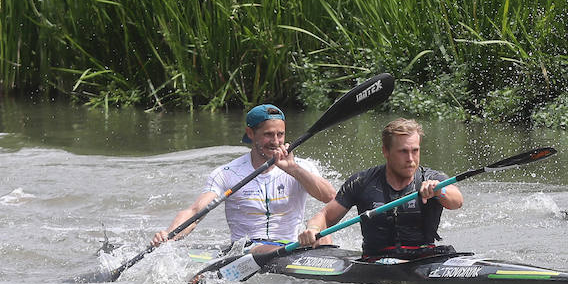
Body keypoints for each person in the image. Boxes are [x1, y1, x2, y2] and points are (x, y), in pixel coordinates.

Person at [151, 104, 337, 251]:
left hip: (291, 246)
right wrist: (169, 234)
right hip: (248, 249)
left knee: (323, 235)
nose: (275, 141)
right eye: (268, 135)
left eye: (280, 134)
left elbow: (330, 197)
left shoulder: (301, 167)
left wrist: (293, 169)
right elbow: (195, 212)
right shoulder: (227, 173)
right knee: (263, 249)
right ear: (250, 133)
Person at [298, 118, 462, 258]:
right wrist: (313, 229)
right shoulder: (362, 182)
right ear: (386, 151)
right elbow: (325, 216)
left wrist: (440, 191)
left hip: (423, 259)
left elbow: (457, 201)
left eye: (415, 151)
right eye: (403, 151)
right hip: (375, 260)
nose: (410, 159)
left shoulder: (431, 179)